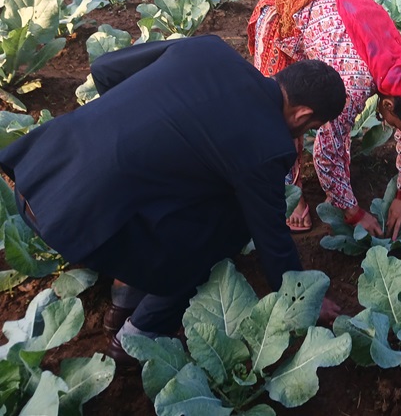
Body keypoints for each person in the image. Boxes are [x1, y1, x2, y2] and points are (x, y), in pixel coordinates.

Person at [0, 35, 347, 362]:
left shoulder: (210, 50)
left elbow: (105, 69)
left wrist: (127, 131)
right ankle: (139, 335)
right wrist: (301, 297)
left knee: (167, 200)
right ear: (303, 115)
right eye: (310, 128)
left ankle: (125, 297)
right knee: (226, 231)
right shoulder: (268, 145)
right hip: (74, 223)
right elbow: (271, 237)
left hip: (39, 171)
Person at [248, 0, 401, 239]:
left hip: (333, 19)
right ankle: (291, 192)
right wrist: (354, 213)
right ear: (388, 106)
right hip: (288, 12)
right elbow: (326, 152)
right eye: (396, 126)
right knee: (281, 113)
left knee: (332, 126)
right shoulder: (352, 83)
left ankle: (335, 191)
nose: (397, 130)